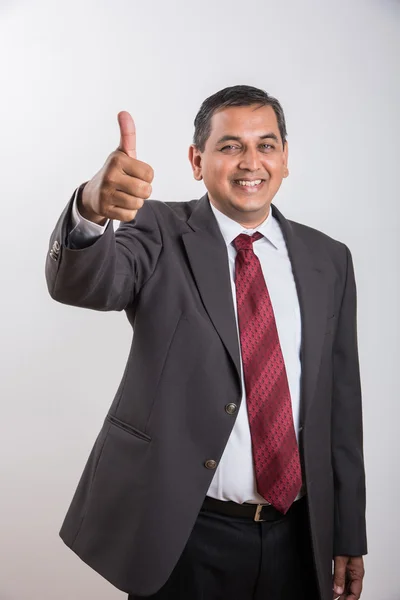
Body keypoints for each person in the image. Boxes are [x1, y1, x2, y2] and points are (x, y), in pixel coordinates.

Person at [45, 85, 367, 600]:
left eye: (266, 145)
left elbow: (341, 406)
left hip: (298, 537)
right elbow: (84, 284)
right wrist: (90, 210)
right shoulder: (156, 230)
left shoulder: (329, 259)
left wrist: (348, 530)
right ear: (197, 161)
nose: (250, 162)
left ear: (285, 159)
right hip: (185, 535)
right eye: (229, 146)